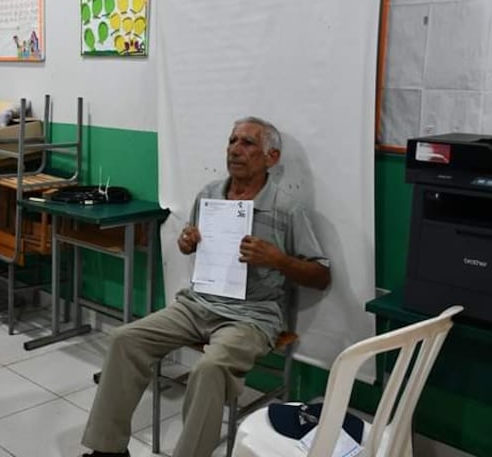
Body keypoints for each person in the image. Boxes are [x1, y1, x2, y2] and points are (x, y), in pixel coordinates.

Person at [80, 117, 331, 457]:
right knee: (125, 340)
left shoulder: (288, 208)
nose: (235, 150)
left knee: (209, 370)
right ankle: (107, 449)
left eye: (247, 143)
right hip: (197, 303)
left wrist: (279, 260)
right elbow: (193, 245)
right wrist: (188, 242)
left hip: (251, 316)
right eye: (232, 141)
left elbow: (321, 274)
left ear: (271, 157)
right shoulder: (210, 194)